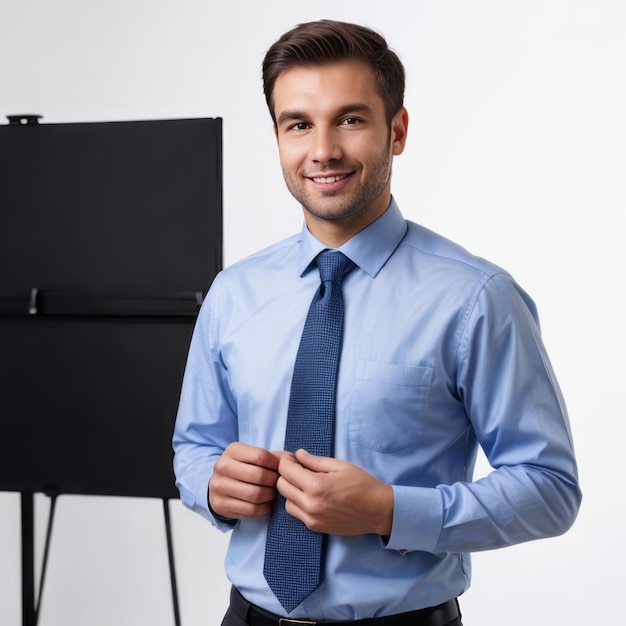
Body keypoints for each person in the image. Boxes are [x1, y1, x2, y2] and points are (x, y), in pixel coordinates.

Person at [172, 19, 581, 626]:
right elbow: (194, 447)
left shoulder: (477, 298)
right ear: (279, 137)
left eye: (351, 119)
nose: (323, 150)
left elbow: (550, 488)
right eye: (299, 124)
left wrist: (391, 510)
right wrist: (211, 485)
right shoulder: (234, 294)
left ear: (398, 131)